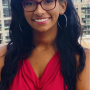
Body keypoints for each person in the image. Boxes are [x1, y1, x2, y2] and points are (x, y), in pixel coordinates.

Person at [0, 0, 89, 90]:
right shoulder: (3, 57)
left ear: (62, 6)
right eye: (29, 3)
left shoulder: (83, 59)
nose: (39, 11)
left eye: (48, 1)